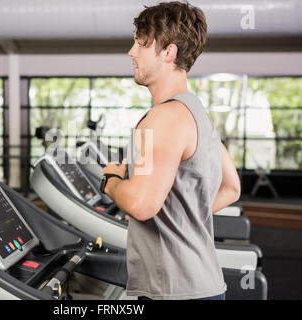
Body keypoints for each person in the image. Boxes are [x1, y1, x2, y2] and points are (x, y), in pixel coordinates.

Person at [100, 1, 241, 300]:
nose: (131, 52)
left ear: (169, 52)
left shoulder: (165, 117)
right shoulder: (196, 112)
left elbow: (140, 204)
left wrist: (111, 181)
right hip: (202, 285)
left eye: (141, 43)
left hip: (174, 291)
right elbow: (231, 188)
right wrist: (178, 218)